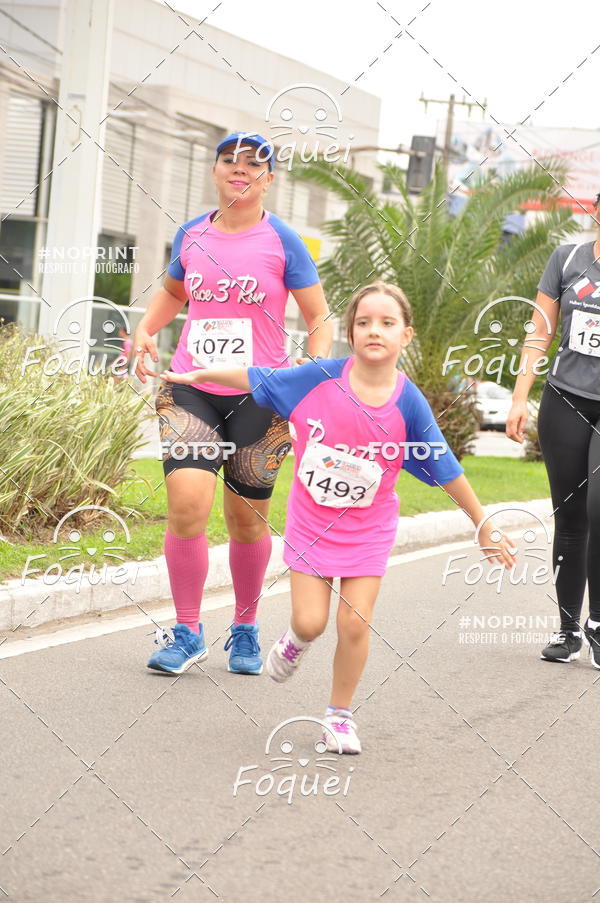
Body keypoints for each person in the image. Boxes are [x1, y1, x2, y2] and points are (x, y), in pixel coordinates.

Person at [160, 281, 516, 753]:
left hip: (369, 529)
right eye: (364, 322)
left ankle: (339, 716)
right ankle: (291, 643)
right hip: (311, 523)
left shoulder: (409, 401)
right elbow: (256, 376)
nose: (375, 331)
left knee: (354, 623)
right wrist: (197, 377)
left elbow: (445, 466)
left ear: (405, 336)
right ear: (350, 332)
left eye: (387, 323)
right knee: (310, 622)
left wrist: (482, 522)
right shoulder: (319, 377)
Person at [133, 131, 332, 676]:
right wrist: (147, 329)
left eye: (252, 165)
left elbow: (320, 317)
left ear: (269, 178)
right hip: (190, 386)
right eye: (229, 162)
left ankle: (245, 628)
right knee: (187, 505)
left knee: (247, 522)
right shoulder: (192, 233)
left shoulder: (284, 242)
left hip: (261, 395)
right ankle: (187, 630)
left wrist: (312, 375)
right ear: (216, 171)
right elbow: (176, 291)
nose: (239, 170)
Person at [507, 193, 600, 668]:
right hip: (564, 399)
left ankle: (599, 624)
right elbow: (540, 330)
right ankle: (568, 630)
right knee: (569, 519)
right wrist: (521, 396)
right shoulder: (567, 260)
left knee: (598, 507)